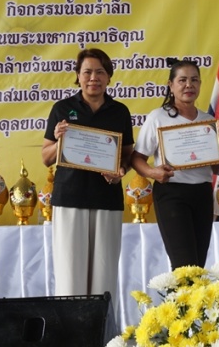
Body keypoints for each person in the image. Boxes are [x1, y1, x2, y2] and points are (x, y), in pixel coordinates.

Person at [42, 48, 134, 307]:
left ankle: (101, 328)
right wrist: (59, 141)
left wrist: (120, 172)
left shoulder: (120, 111)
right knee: (70, 274)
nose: (94, 78)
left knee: (104, 275)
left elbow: (127, 156)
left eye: (100, 72)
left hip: (107, 200)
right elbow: (46, 157)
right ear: (78, 76)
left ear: (109, 77)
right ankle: (72, 328)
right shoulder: (62, 109)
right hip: (69, 199)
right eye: (87, 72)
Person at [130, 59, 219, 270]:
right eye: (182, 80)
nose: (188, 85)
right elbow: (136, 159)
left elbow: (217, 169)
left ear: (200, 84)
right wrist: (153, 172)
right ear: (171, 85)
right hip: (171, 194)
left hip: (202, 193)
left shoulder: (208, 120)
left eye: (194, 80)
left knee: (198, 264)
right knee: (184, 265)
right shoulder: (158, 117)